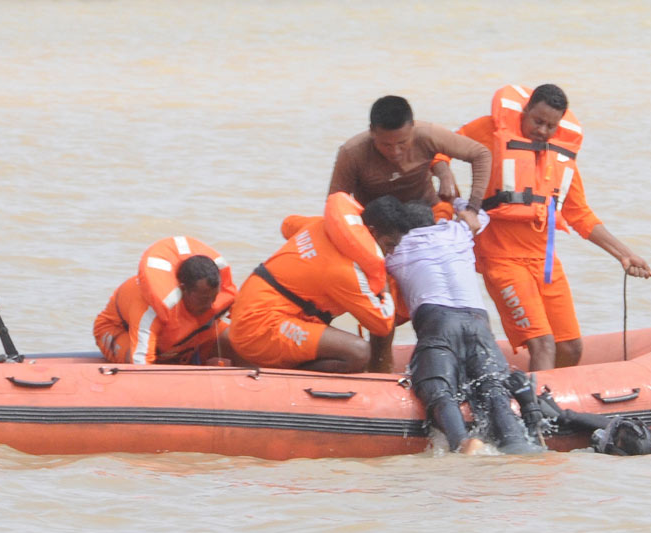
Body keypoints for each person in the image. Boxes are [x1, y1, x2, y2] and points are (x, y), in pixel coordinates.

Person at [435, 84, 651, 371]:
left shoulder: (560, 155)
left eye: (551, 125)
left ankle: (549, 402)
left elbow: (580, 215)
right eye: (537, 121)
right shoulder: (490, 130)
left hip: (545, 263)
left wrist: (624, 254)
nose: (543, 131)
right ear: (524, 112)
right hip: (501, 260)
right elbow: (438, 149)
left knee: (571, 348)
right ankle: (538, 415)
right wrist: (448, 184)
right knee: (543, 344)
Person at [385, 202, 541, 454]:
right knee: (493, 387)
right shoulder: (458, 232)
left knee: (437, 389)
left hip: (437, 321)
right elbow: (477, 214)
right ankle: (516, 443)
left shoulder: (396, 250)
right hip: (477, 321)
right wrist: (456, 200)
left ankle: (461, 442)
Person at [228, 194, 409, 373]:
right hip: (260, 327)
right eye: (389, 245)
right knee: (359, 353)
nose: (390, 253)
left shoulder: (321, 225)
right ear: (372, 232)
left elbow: (287, 225)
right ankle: (284, 377)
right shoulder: (345, 272)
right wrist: (383, 285)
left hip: (247, 306)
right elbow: (382, 324)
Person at [328, 95, 492, 232]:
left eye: (402, 143)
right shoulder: (352, 153)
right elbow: (335, 203)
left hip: (426, 215)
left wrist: (473, 209)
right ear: (372, 131)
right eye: (386, 145)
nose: (395, 152)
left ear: (413, 127)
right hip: (380, 227)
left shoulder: (428, 135)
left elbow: (481, 154)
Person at [93, 236, 238, 365]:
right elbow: (140, 364)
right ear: (183, 289)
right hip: (120, 331)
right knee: (132, 359)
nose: (210, 306)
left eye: (213, 299)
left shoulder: (208, 303)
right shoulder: (151, 308)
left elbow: (246, 324)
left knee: (236, 341)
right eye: (203, 299)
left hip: (182, 341)